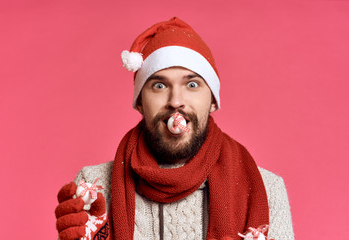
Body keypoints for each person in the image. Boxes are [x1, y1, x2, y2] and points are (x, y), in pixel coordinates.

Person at [54, 17, 294, 240]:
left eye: (192, 84)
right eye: (159, 85)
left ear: (212, 100)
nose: (176, 100)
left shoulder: (266, 189)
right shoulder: (95, 188)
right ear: (139, 101)